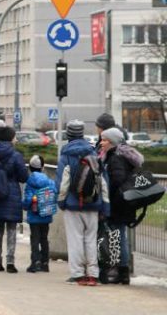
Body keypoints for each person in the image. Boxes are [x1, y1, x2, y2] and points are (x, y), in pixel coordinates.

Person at [56, 119, 110, 286]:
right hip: (93, 204)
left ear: (68, 134)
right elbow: (103, 182)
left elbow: (62, 182)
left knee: (75, 239)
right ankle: (93, 274)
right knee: (90, 239)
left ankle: (78, 274)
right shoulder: (93, 154)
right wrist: (105, 206)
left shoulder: (66, 155)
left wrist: (61, 201)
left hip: (73, 204)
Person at [99, 127, 143, 285]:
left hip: (117, 203)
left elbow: (117, 180)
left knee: (117, 237)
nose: (101, 143)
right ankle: (121, 271)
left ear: (112, 142)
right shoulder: (119, 155)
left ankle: (121, 271)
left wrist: (107, 194)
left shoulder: (116, 157)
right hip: (122, 203)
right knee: (118, 236)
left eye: (104, 140)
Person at [0, 122, 28, 273]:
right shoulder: (16, 155)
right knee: (11, 229)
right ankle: (10, 262)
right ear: (11, 138)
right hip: (12, 194)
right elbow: (23, 177)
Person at [22, 154, 57, 273]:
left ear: (30, 168)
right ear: (42, 167)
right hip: (46, 215)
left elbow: (27, 200)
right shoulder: (50, 182)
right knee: (44, 238)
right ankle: (45, 263)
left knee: (35, 239)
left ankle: (35, 262)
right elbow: (54, 194)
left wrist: (25, 206)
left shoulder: (30, 182)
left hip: (34, 215)